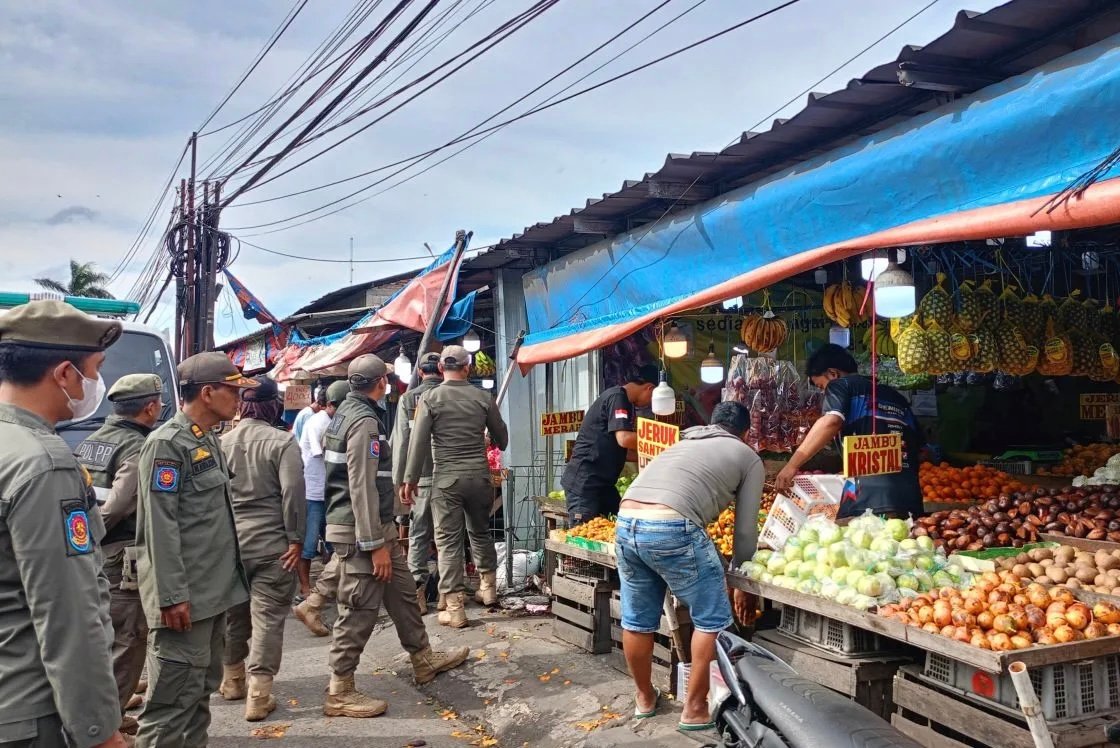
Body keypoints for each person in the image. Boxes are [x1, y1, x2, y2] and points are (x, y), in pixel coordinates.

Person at [0, 300, 127, 748]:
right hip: (30, 712)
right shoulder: (43, 464)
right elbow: (67, 611)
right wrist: (99, 730)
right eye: (94, 370)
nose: (96, 384)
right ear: (65, 374)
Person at [321, 354, 469, 717]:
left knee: (403, 594)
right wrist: (374, 545)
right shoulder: (365, 422)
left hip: (374, 527)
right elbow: (362, 487)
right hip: (361, 532)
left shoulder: (343, 414)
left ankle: (422, 657)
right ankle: (340, 690)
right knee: (358, 608)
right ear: (380, 384)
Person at [615, 401, 764, 731]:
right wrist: (741, 576)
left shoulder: (682, 443)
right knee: (711, 618)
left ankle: (644, 697)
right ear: (746, 432)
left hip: (626, 522)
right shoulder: (748, 456)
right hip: (672, 525)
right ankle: (695, 708)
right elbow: (745, 530)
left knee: (637, 619)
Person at [134, 352, 256, 748]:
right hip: (184, 600)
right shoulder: (167, 444)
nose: (239, 398)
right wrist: (171, 596)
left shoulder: (206, 441)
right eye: (233, 390)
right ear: (207, 392)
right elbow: (159, 524)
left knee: (200, 694)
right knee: (169, 706)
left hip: (211, 595)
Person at [75, 373, 165, 736]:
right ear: (150, 407)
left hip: (94, 552)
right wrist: (92, 538)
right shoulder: (137, 447)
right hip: (118, 551)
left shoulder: (94, 440)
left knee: (106, 635)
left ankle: (108, 712)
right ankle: (105, 726)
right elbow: (119, 505)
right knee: (128, 638)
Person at [218, 376, 306, 722]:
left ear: (242, 404)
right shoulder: (283, 442)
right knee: (268, 617)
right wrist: (296, 538)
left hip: (230, 545)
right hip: (273, 546)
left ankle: (232, 681)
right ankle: (259, 694)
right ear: (273, 405)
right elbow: (292, 495)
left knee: (233, 614)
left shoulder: (220, 442)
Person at [402, 345, 509, 628]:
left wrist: (409, 479)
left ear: (440, 369)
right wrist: (488, 440)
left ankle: (454, 607)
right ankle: (488, 589)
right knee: (480, 531)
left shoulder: (430, 398)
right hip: (479, 477)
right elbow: (503, 438)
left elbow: (419, 443)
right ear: (467, 367)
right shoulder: (483, 397)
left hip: (446, 479)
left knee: (448, 541)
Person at [775, 344, 924, 518]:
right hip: (910, 497)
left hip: (866, 495)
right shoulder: (896, 396)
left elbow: (831, 421)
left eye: (822, 386)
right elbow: (921, 449)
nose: (824, 392)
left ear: (833, 374)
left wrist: (791, 466)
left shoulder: (840, 385)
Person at [560, 365, 658, 524]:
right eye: (653, 398)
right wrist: (660, 441)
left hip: (603, 485)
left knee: (622, 523)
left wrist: (656, 454)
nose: (650, 404)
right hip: (585, 484)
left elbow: (624, 451)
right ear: (649, 388)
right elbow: (624, 439)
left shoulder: (623, 401)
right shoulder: (617, 397)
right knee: (584, 535)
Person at [391, 351, 443, 615]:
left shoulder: (408, 399)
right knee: (449, 534)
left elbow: (401, 443)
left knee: (419, 534)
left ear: (420, 372)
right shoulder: (450, 393)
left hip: (419, 476)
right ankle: (448, 594)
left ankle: (417, 593)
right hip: (448, 475)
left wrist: (400, 480)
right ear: (441, 370)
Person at [296, 381, 347, 603]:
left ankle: (330, 586)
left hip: (328, 490)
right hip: (313, 492)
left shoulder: (332, 421)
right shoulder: (318, 423)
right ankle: (305, 588)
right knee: (308, 544)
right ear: (332, 404)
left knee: (334, 541)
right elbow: (324, 454)